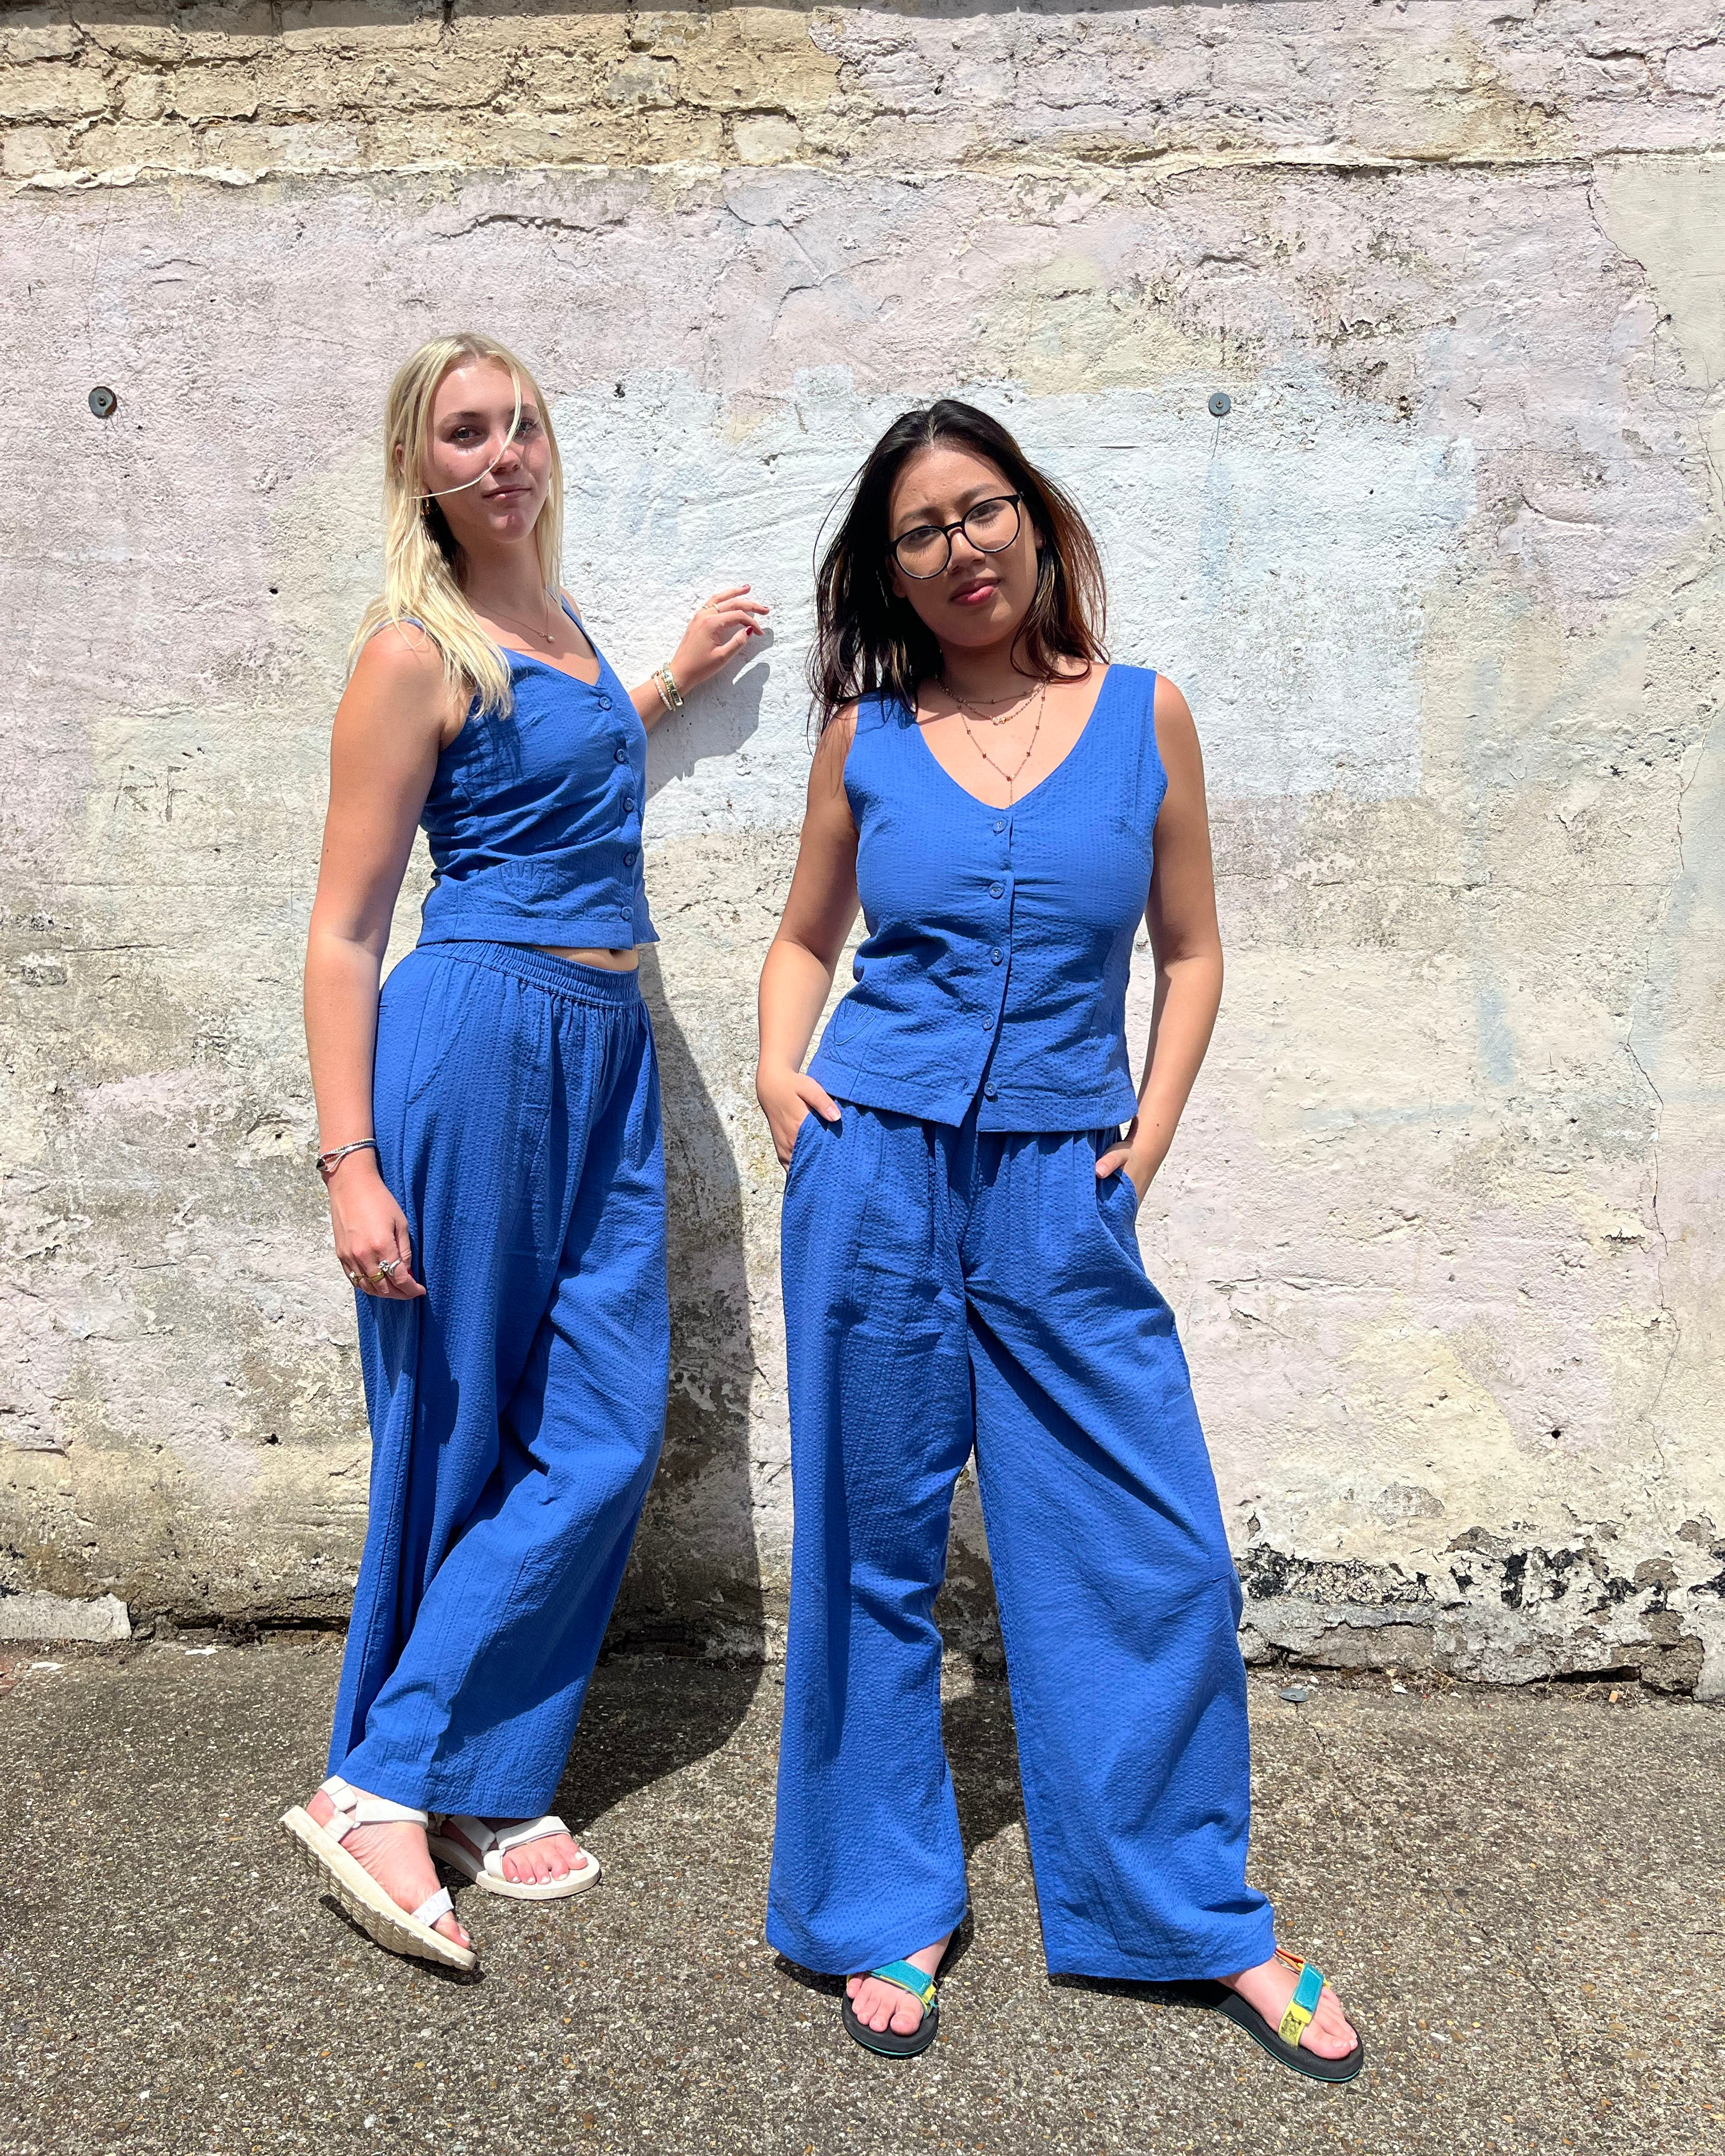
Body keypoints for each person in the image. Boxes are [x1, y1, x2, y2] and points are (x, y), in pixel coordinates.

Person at [754, 399, 1362, 2080]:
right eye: (920, 532)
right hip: (874, 1167)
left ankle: (1188, 1910)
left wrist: (1144, 1141)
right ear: (890, 572)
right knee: (871, 1545)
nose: (961, 549)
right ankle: (880, 1896)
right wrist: (784, 1084)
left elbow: (1194, 948)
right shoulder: (866, 734)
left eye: (982, 510)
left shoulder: (1145, 713)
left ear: (1034, 517)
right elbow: (805, 936)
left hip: (1059, 1180)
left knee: (1148, 1549)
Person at [280, 332, 766, 1972]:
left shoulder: (558, 631)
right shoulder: (409, 651)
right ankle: (395, 1783)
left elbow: (562, 773)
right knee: (458, 1423)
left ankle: (451, 1766)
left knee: (603, 1422)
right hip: (479, 1040)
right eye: (465, 433)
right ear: (420, 468)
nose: (503, 453)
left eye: (523, 425)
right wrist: (350, 1161)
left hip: (607, 1054)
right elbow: (344, 928)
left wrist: (665, 684)